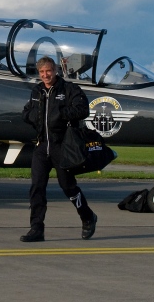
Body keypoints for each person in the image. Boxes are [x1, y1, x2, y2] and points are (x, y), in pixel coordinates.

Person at [19, 55, 97, 242]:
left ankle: (87, 217)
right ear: (39, 73)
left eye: (49, 71)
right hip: (41, 145)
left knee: (68, 187)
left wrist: (60, 114)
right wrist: (34, 117)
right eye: (42, 72)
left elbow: (83, 109)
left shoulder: (69, 89)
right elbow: (26, 112)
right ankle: (36, 229)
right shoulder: (37, 91)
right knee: (37, 187)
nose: (46, 75)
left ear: (55, 71)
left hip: (62, 146)